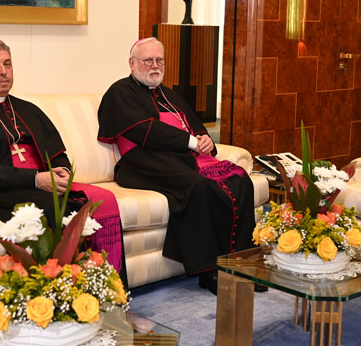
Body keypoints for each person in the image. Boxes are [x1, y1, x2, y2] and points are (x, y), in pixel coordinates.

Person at [0, 37, 126, 285]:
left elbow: (57, 154)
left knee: (92, 203)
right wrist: (35, 179)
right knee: (52, 210)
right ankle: (59, 288)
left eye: (7, 64)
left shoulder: (29, 109)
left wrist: (62, 172)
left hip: (41, 185)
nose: (3, 72)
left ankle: (101, 286)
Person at [97, 37, 259, 295]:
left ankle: (242, 264)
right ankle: (209, 271)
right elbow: (144, 131)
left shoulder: (168, 94)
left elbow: (194, 124)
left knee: (240, 179)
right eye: (147, 60)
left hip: (179, 159)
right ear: (132, 63)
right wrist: (192, 142)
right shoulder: (120, 92)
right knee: (198, 186)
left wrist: (204, 139)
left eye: (159, 60)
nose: (154, 66)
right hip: (142, 162)